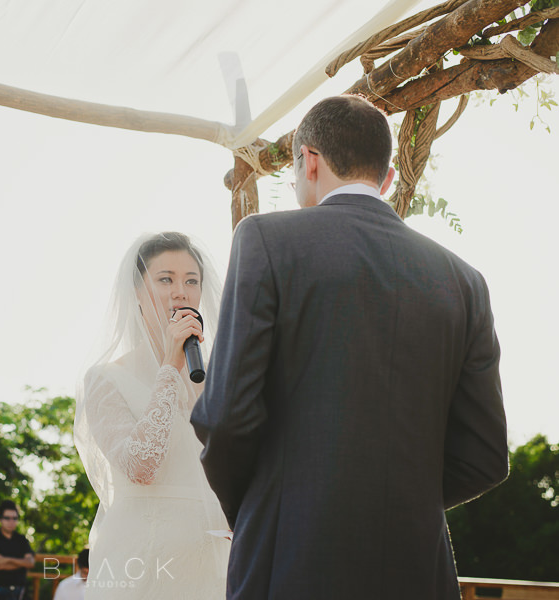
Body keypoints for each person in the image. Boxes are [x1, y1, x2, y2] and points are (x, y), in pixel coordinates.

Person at [191, 94, 509, 599]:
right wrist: (397, 500)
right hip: (417, 571)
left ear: (309, 160)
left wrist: (259, 509)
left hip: (288, 561)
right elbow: (486, 457)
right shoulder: (465, 282)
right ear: (384, 177)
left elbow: (227, 414)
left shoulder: (266, 240)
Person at [74, 232, 229, 598]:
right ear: (137, 295)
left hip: (210, 565)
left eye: (191, 281)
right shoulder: (105, 378)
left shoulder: (220, 378)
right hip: (142, 563)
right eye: (166, 279)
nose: (181, 291)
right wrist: (170, 366)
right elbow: (142, 465)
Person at [0, 500, 35, 597]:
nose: (11, 522)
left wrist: (7, 559)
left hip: (21, 592)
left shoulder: (22, 540)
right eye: (7, 518)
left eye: (15, 518)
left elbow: (30, 562)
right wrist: (21, 563)